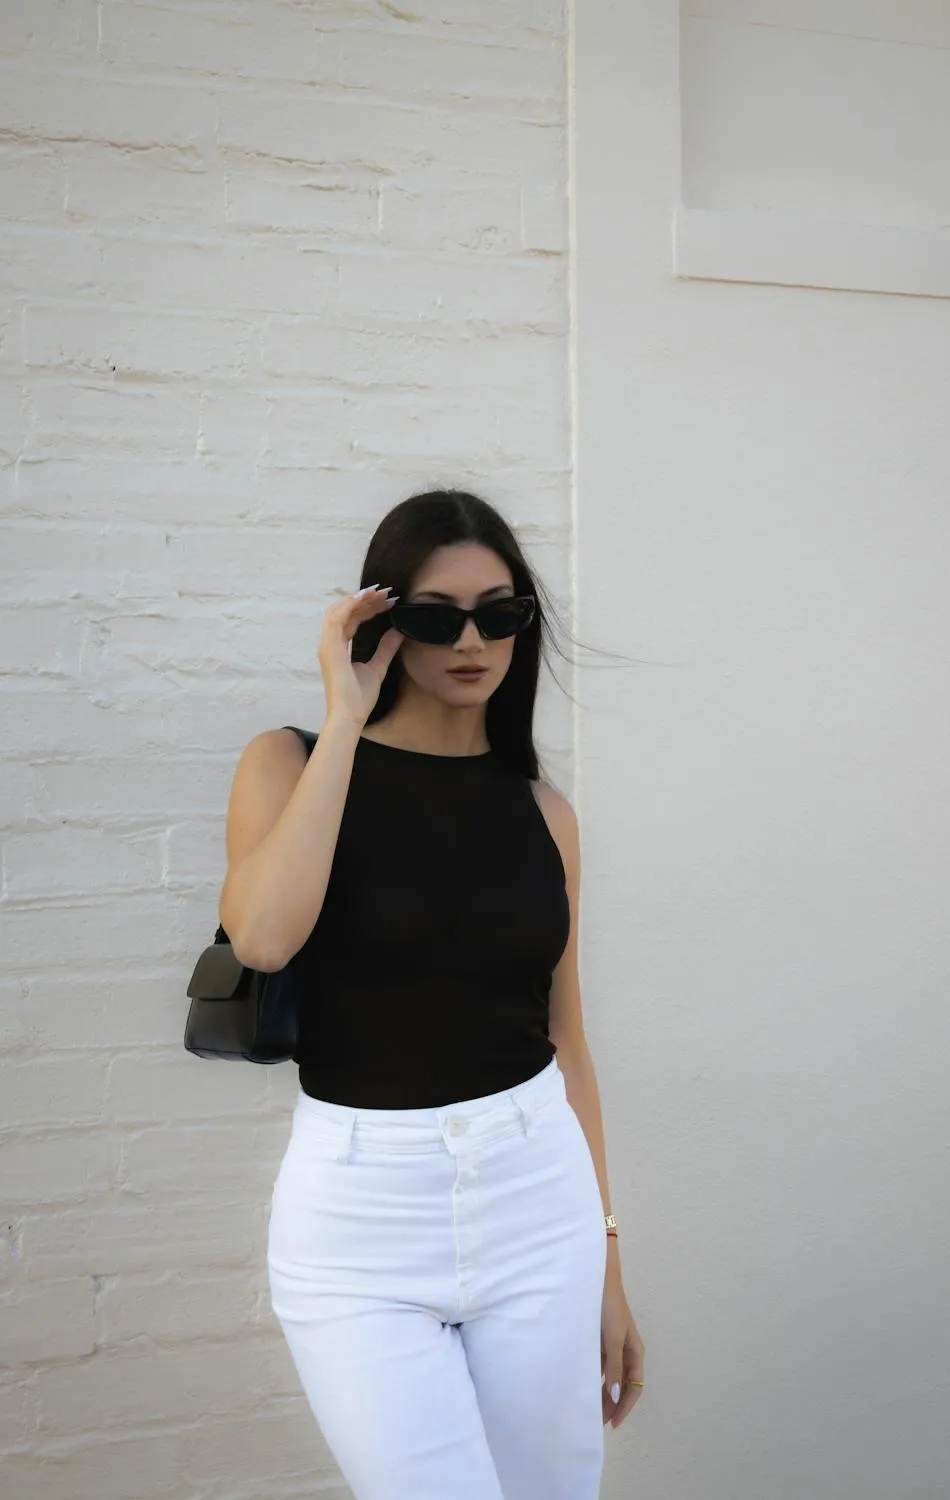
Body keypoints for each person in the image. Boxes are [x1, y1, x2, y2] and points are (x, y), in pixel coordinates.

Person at [219, 489, 645, 1500]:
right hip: (361, 1216)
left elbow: (566, 1042)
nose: (471, 640)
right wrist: (344, 717)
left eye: (498, 614)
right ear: (381, 623)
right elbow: (267, 937)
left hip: (539, 1197)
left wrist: (608, 1259)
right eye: (434, 615)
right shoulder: (289, 761)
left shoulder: (543, 811)